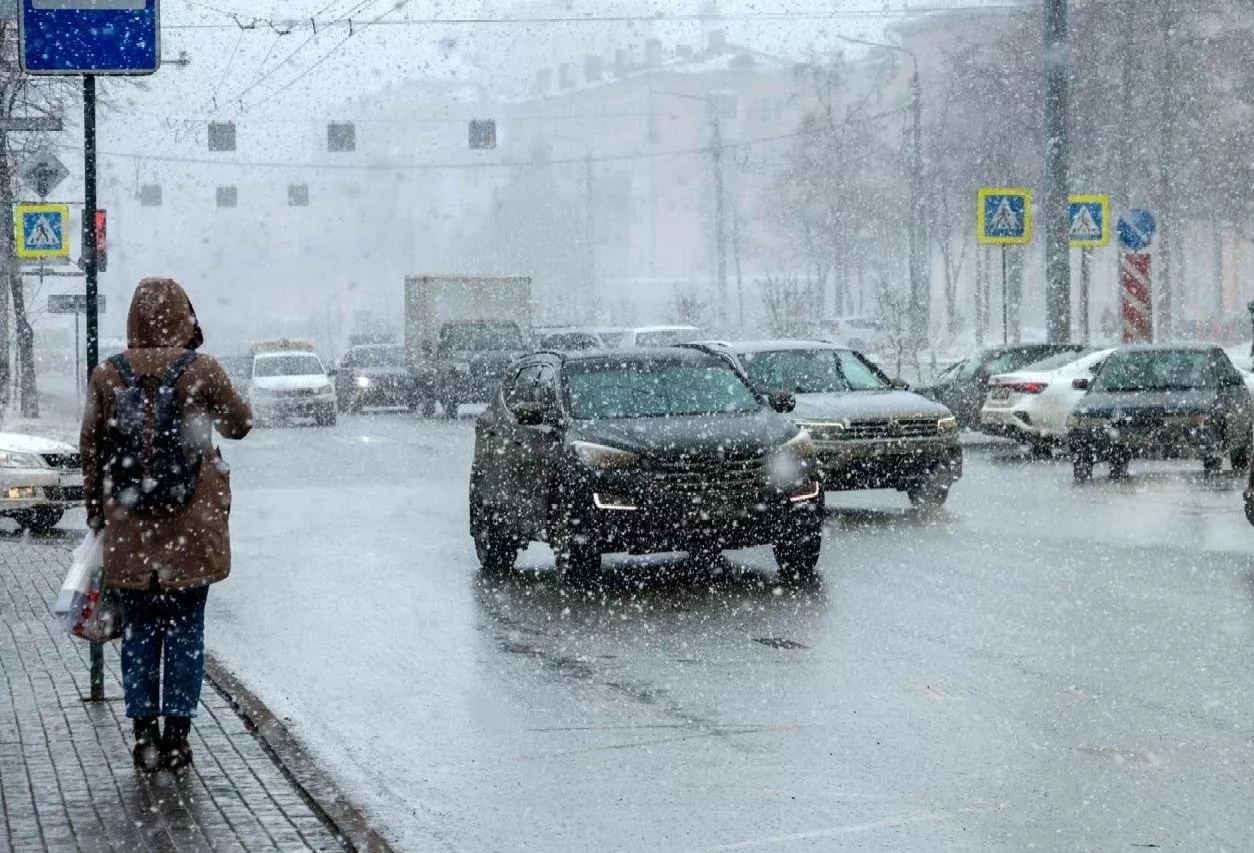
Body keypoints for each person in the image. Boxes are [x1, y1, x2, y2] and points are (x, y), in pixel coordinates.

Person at [80, 277, 252, 772]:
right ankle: (177, 738)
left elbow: (90, 449)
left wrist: (97, 511)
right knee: (185, 634)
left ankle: (144, 737)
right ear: (185, 317)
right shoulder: (202, 370)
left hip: (129, 533)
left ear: (133, 318)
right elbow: (240, 424)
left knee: (138, 635)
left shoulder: (107, 376)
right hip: (190, 534)